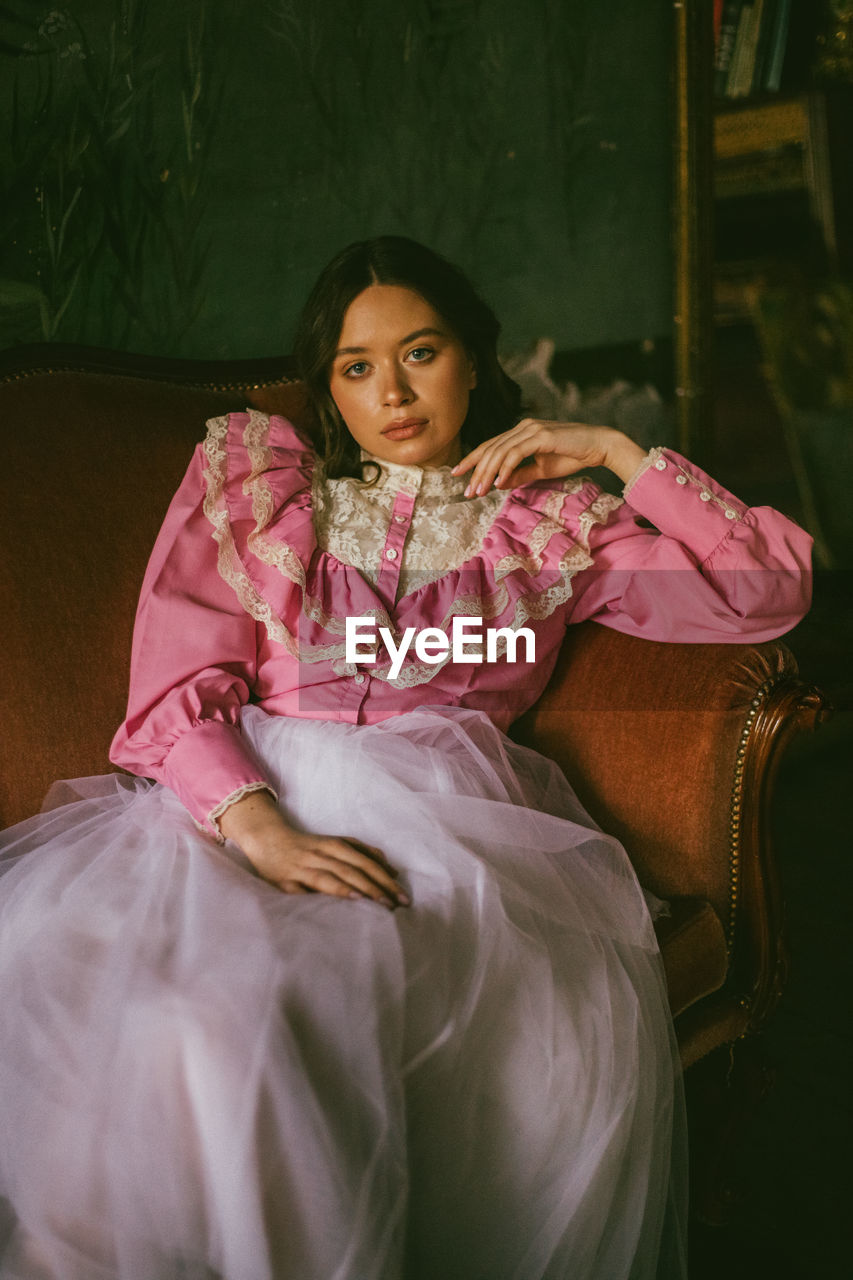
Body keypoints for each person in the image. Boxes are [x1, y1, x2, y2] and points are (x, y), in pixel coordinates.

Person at [0, 236, 812, 1280]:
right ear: (327, 387)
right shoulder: (263, 491)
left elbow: (766, 588)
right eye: (354, 366)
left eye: (420, 352)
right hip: (238, 808)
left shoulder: (550, 527)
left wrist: (614, 448)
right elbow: (173, 685)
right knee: (164, 1014)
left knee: (286, 1019)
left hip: (448, 832)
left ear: (473, 359)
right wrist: (257, 826)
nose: (390, 389)